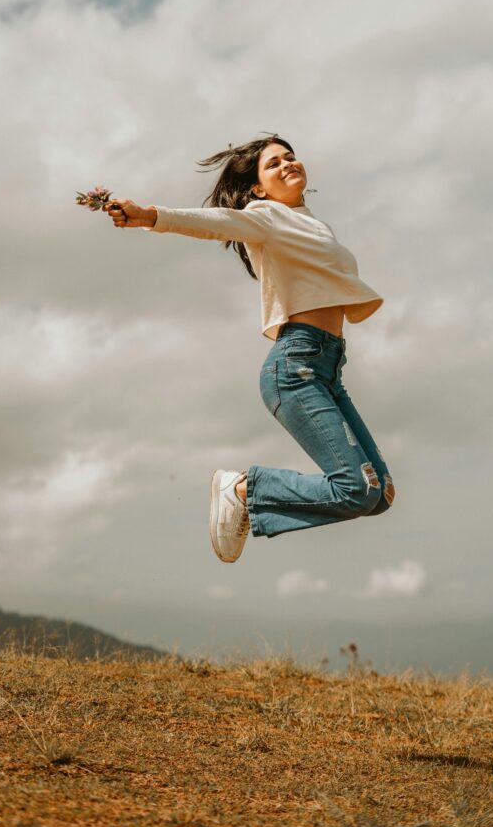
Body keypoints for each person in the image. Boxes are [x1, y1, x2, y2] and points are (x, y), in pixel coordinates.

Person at [102, 135, 395, 564]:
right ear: (257, 188)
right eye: (274, 163)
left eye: (290, 157)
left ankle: (250, 500)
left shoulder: (309, 222)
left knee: (379, 494)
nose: (288, 164)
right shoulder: (264, 216)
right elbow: (217, 222)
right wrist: (150, 216)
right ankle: (242, 488)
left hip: (327, 367)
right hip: (296, 367)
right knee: (357, 489)